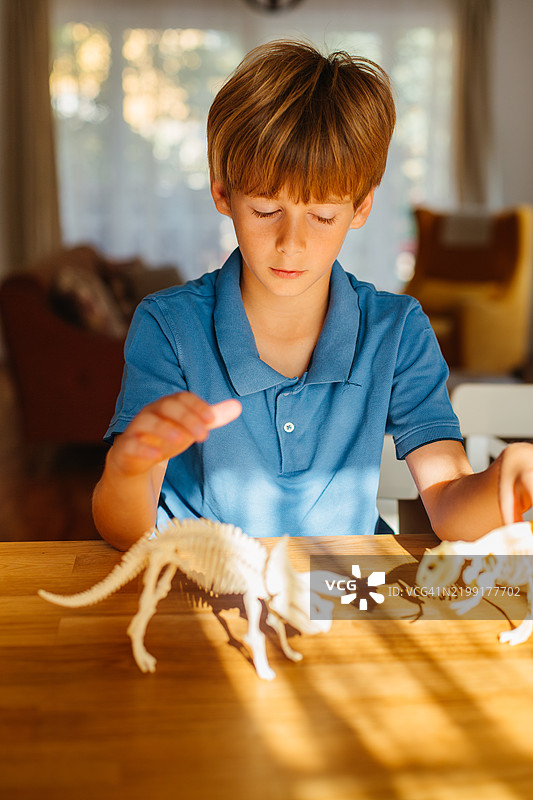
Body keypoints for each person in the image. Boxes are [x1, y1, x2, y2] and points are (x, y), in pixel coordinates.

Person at [92, 40, 533, 551]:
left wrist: (506, 487)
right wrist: (128, 468)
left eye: (323, 216)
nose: (292, 243)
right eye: (264, 210)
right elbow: (124, 530)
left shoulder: (397, 329)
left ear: (361, 207)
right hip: (195, 593)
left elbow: (449, 503)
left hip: (340, 595)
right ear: (222, 194)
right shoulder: (169, 326)